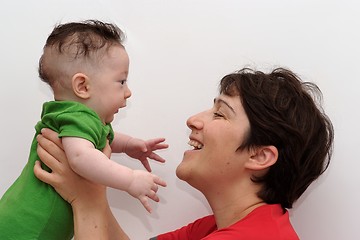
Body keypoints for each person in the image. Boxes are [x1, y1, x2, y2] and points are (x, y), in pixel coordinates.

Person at [34, 67, 334, 239]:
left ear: (259, 157)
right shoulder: (224, 226)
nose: (194, 119)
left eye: (220, 114)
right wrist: (92, 189)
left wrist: (85, 198)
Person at [0, 20, 167, 240]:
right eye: (122, 81)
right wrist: (129, 179)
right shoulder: (77, 117)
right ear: (83, 86)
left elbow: (97, 141)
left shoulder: (79, 122)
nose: (128, 92)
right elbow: (81, 157)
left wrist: (128, 145)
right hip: (25, 231)